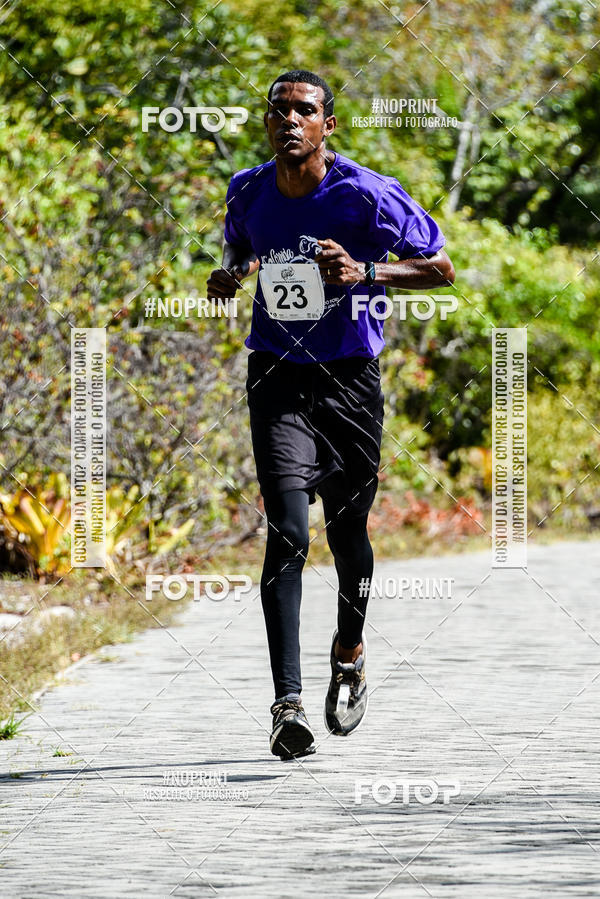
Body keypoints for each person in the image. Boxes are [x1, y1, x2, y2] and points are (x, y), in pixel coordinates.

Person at [207, 69, 455, 760]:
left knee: (349, 534)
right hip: (277, 376)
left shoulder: (366, 194)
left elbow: (440, 266)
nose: (289, 120)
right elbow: (239, 242)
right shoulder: (248, 189)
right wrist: (230, 272)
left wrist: (368, 274)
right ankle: (286, 704)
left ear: (327, 126)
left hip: (349, 382)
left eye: (305, 111)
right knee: (287, 530)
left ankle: (349, 647)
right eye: (278, 110)